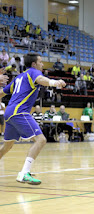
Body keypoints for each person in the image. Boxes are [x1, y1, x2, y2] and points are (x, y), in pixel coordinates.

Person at [0, 53, 66, 185]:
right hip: (19, 112)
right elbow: (42, 79)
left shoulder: (19, 77)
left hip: (9, 113)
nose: (42, 64)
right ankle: (24, 173)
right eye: (40, 62)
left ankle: (24, 172)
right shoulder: (33, 72)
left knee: (7, 146)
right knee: (41, 140)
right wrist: (54, 82)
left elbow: (1, 93)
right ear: (34, 64)